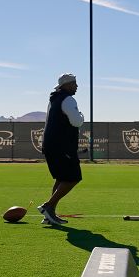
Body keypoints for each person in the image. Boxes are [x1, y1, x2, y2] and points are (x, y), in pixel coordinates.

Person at [37, 73, 84, 226]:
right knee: (73, 177)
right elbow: (77, 122)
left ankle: (49, 215)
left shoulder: (53, 100)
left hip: (51, 145)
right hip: (62, 146)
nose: (76, 86)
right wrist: (82, 115)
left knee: (62, 178)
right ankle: (48, 206)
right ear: (67, 85)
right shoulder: (68, 99)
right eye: (74, 83)